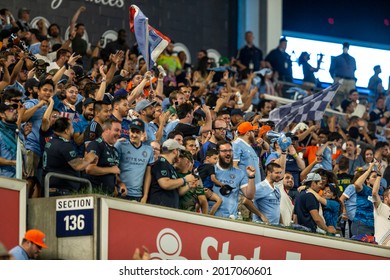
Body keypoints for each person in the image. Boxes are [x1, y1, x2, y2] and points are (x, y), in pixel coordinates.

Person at [42, 117, 97, 196]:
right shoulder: (64, 145)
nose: (73, 130)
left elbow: (66, 161)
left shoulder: (52, 141)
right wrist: (89, 158)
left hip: (51, 190)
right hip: (61, 192)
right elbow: (78, 166)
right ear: (66, 131)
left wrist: (84, 160)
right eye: (72, 127)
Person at [210, 140, 256, 218]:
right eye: (224, 151)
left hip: (229, 218)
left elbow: (249, 196)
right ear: (218, 153)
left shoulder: (239, 173)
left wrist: (251, 177)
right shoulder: (210, 169)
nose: (228, 153)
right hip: (210, 216)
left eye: (230, 151)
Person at [148, 139, 197, 208]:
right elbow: (165, 184)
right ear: (175, 151)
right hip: (160, 208)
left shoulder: (169, 166)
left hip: (168, 208)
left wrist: (189, 186)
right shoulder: (161, 163)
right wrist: (185, 179)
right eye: (179, 151)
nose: (179, 154)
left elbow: (176, 191)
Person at [115, 119, 154, 203]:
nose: (134, 135)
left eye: (137, 132)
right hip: (121, 192)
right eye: (132, 131)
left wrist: (145, 196)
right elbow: (113, 167)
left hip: (138, 195)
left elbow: (148, 174)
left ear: (143, 133)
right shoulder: (120, 145)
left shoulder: (149, 150)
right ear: (129, 131)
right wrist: (119, 184)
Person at [85, 119, 125, 196]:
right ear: (106, 130)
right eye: (116, 130)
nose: (119, 134)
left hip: (109, 196)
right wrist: (111, 169)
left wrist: (120, 184)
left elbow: (114, 172)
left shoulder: (115, 151)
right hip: (95, 195)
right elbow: (89, 169)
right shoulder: (95, 145)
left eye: (120, 131)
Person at [329, 42, 357, 107]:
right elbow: (331, 70)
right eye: (345, 46)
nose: (346, 47)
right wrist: (336, 79)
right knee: (338, 97)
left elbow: (354, 70)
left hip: (350, 80)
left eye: (347, 46)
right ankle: (337, 113)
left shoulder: (352, 59)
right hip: (340, 78)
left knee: (351, 98)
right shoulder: (337, 58)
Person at [197, 149, 223, 215]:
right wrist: (222, 185)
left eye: (217, 159)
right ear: (207, 158)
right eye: (215, 159)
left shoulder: (200, 166)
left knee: (199, 204)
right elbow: (213, 179)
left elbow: (195, 172)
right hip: (206, 189)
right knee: (219, 200)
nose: (216, 161)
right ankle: (211, 215)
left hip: (198, 189)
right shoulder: (211, 167)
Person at [0, 103, 19, 177]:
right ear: (2, 114)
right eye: (11, 110)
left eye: (15, 110)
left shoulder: (16, 131)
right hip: (3, 178)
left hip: (17, 176)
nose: (15, 111)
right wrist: (13, 162)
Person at [372, 176, 390, 246]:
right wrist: (379, 176)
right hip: (381, 246)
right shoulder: (381, 207)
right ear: (386, 198)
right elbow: (374, 193)